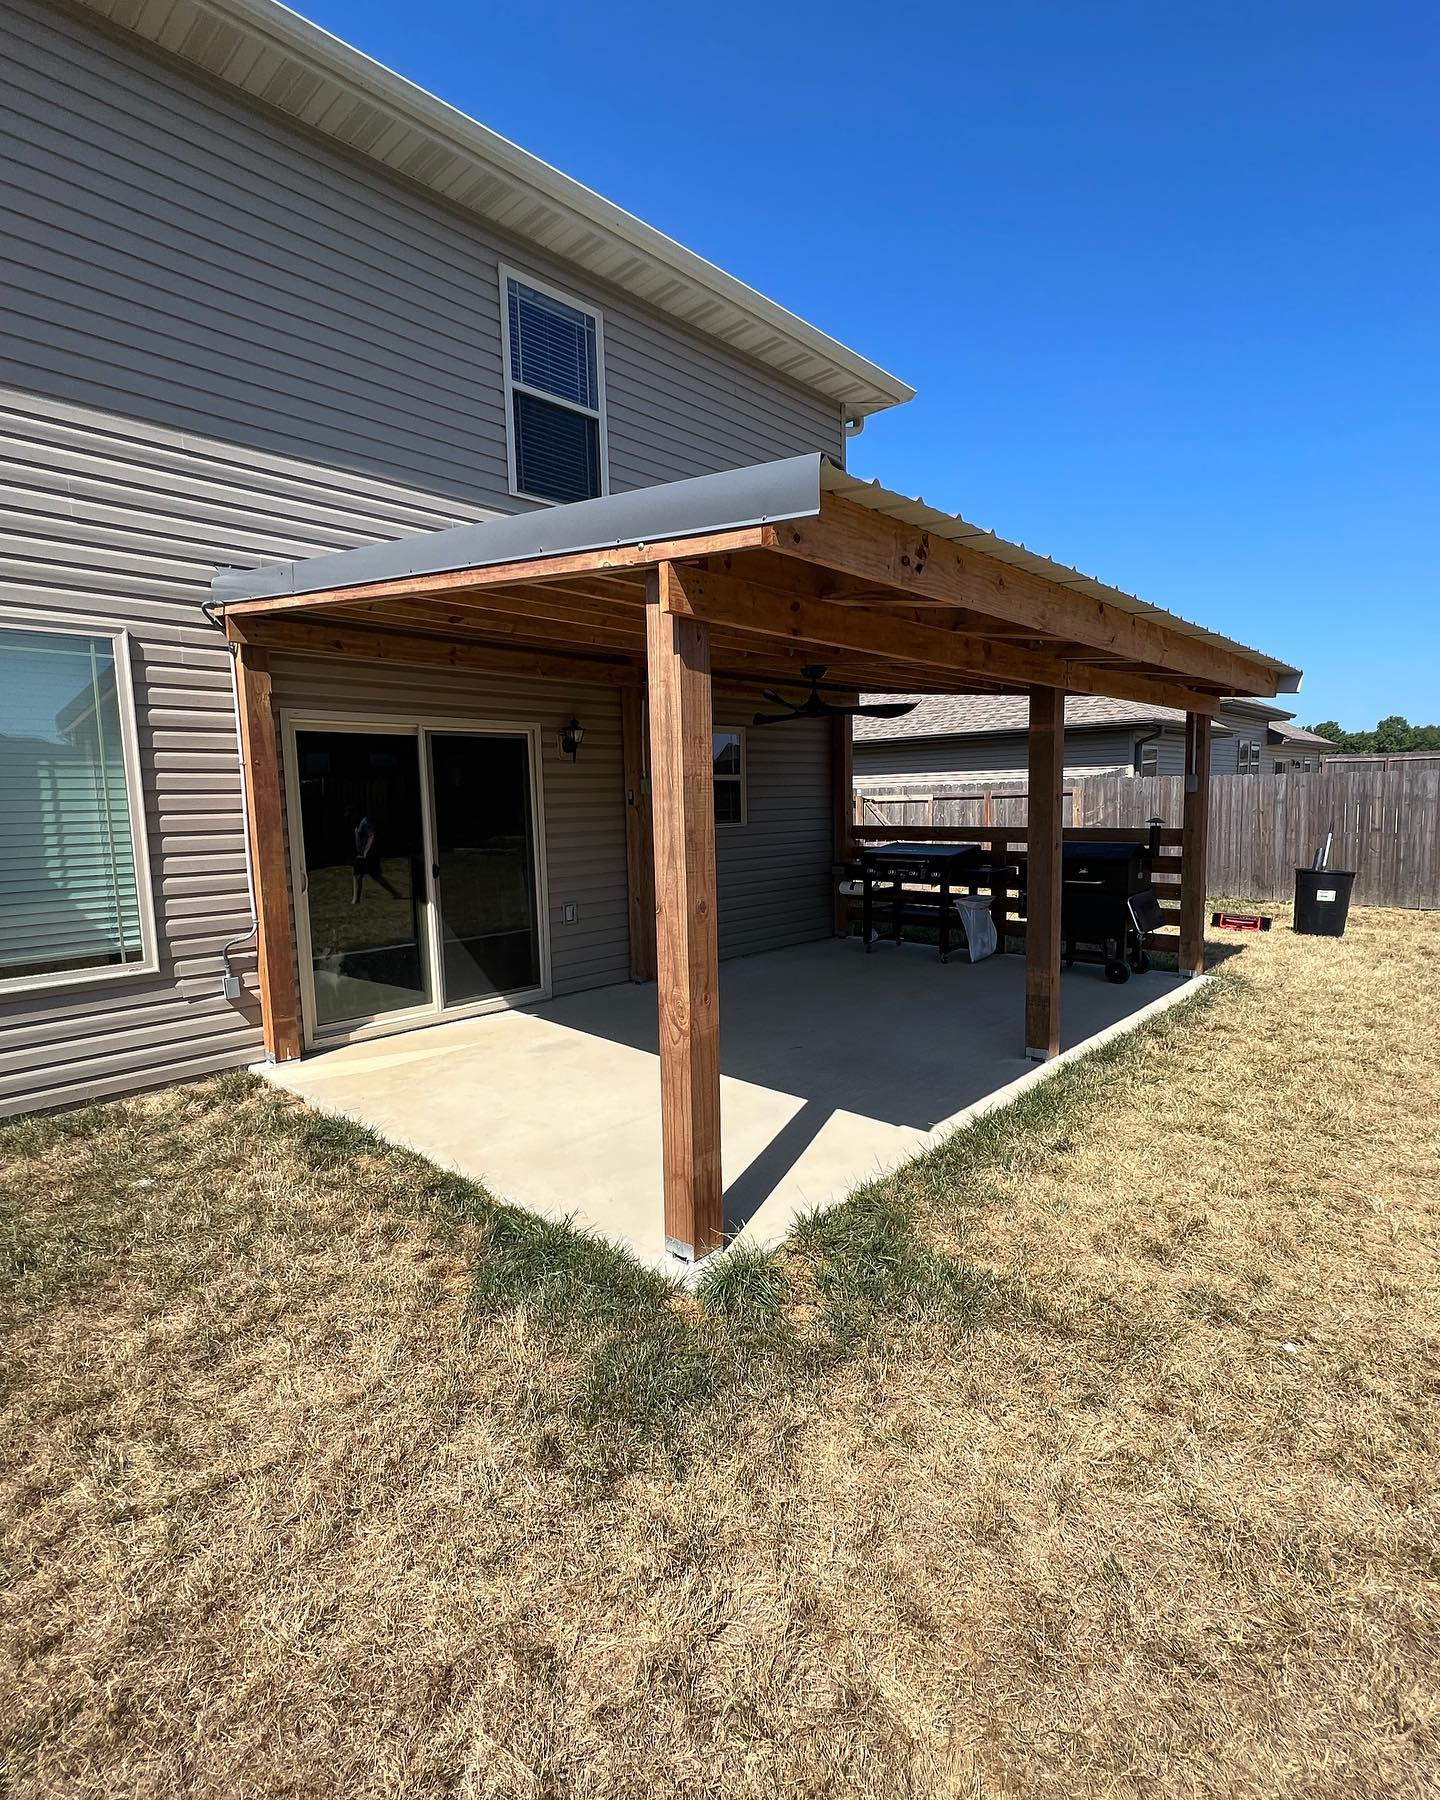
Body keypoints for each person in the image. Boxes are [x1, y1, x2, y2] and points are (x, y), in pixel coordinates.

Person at [351, 813, 400, 904]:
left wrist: (367, 850)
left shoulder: (364, 822)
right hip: (361, 855)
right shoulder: (357, 825)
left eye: (350, 815)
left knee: (375, 875)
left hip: (369, 855)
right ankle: (356, 899)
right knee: (358, 875)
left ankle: (395, 893)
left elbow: (372, 835)